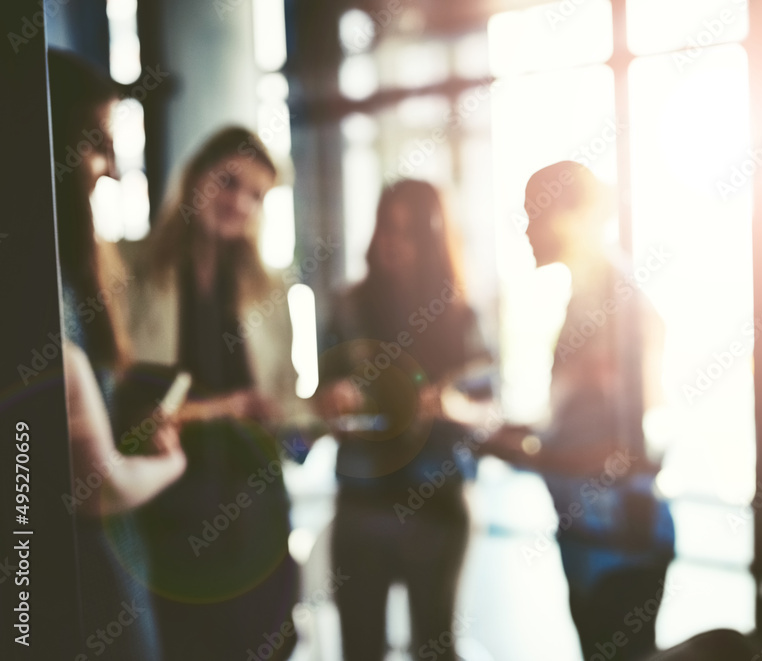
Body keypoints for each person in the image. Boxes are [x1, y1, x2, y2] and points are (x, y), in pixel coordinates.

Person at [127, 126, 311, 661]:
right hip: (170, 501)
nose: (239, 203)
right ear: (194, 178)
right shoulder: (135, 272)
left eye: (256, 195)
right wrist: (224, 408)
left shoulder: (270, 291)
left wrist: (315, 412)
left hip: (254, 501)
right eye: (228, 182)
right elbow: (128, 406)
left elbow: (284, 401)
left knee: (261, 641)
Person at [479, 161, 675, 661]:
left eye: (533, 215)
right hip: (602, 538)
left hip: (617, 541)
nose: (525, 230)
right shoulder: (595, 295)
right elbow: (586, 421)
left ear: (569, 216)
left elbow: (624, 445)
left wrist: (515, 450)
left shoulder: (613, 304)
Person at [313, 179, 490, 661]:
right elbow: (317, 401)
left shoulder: (461, 316)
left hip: (437, 507)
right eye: (386, 228)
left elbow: (487, 408)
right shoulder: (348, 307)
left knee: (435, 648)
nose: (392, 242)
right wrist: (331, 400)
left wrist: (447, 405)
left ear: (431, 240)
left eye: (408, 233)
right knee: (360, 648)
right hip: (361, 505)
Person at [48, 49, 187, 661]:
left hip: (118, 553)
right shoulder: (40, 295)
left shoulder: (80, 273)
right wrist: (170, 465)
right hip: (72, 568)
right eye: (94, 144)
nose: (108, 169)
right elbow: (93, 484)